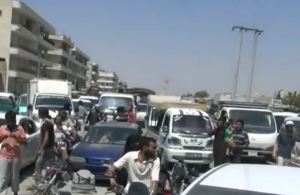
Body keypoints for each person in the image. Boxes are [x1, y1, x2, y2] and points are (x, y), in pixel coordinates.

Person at [0, 111, 26, 195]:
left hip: (15, 157)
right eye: (10, 120)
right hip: (3, 156)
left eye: (13, 119)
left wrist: (16, 138)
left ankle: (15, 193)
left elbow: (25, 142)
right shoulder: (2, 128)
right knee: (3, 177)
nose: (12, 121)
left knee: (15, 177)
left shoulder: (20, 128)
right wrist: (4, 137)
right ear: (6, 120)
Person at [34, 108, 56, 176]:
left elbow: (46, 138)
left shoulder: (46, 124)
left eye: (39, 113)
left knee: (40, 163)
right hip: (49, 146)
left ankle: (40, 179)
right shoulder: (48, 122)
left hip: (47, 147)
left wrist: (41, 149)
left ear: (42, 114)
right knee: (43, 163)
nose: (38, 114)